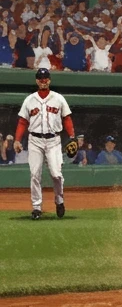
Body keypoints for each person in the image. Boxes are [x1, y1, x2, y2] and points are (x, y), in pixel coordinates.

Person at [14, 67, 76, 220]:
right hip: (35, 140)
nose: (43, 81)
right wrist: (17, 139)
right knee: (35, 174)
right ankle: (36, 207)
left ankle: (59, 200)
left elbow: (67, 118)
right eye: (40, 79)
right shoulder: (29, 100)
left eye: (46, 78)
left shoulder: (58, 98)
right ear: (37, 81)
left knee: (56, 174)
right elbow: (22, 122)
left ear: (49, 80)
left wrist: (72, 136)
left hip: (54, 140)